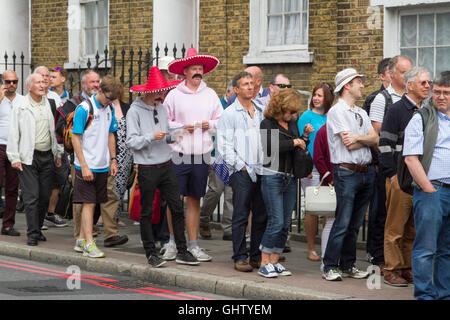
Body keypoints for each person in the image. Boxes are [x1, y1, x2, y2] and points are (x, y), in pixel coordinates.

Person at [127, 66, 199, 267]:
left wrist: (177, 134)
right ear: (149, 92)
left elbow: (166, 135)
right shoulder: (134, 111)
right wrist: (151, 137)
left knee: (177, 208)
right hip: (147, 167)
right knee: (147, 212)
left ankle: (182, 251)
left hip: (166, 165)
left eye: (163, 91)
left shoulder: (162, 107)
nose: (162, 95)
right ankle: (150, 253)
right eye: (159, 92)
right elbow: (131, 141)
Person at [164, 47, 223, 262]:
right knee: (174, 200)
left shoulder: (210, 94)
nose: (198, 72)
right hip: (178, 154)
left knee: (194, 200)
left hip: (201, 154)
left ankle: (193, 244)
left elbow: (221, 120)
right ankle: (172, 242)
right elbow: (165, 123)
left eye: (201, 69)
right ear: (185, 71)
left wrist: (211, 124)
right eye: (194, 69)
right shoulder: (173, 95)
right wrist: (181, 127)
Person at [322, 68, 378, 281]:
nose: (362, 85)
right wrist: (365, 138)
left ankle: (347, 264)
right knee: (342, 222)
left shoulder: (361, 112)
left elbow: (375, 139)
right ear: (347, 85)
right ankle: (329, 266)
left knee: (355, 224)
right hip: (347, 171)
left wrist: (361, 137)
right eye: (358, 82)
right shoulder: (337, 112)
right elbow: (349, 143)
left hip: (366, 172)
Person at [379, 67, 431, 287]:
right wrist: (392, 175)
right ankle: (391, 269)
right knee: (394, 229)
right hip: (399, 179)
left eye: (429, 82)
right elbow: (384, 145)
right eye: (423, 83)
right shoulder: (397, 110)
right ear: (410, 85)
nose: (428, 86)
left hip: (418, 179)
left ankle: (406, 267)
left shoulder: (428, 112)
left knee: (412, 228)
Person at [403, 71, 450, 300]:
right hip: (432, 191)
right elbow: (411, 158)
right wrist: (429, 189)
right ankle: (425, 296)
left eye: (446, 93)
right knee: (425, 249)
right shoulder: (421, 117)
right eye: (437, 92)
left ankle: (444, 295)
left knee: (447, 250)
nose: (441, 97)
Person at [217, 71, 267, 272]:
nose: (250, 86)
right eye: (245, 84)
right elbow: (224, 146)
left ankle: (256, 256)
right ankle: (239, 257)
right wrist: (241, 166)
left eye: (252, 83)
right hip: (241, 171)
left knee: (261, 216)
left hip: (262, 169)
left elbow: (268, 138)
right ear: (236, 90)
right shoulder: (229, 114)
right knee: (240, 214)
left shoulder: (262, 110)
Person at [366, 56, 412, 270]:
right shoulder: (382, 99)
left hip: (411, 170)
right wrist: (389, 170)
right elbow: (378, 136)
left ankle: (404, 264)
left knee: (408, 222)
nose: (408, 76)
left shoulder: (414, 99)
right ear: (392, 74)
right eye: (404, 72)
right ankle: (380, 258)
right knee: (384, 216)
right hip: (390, 169)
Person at [7, 73, 63, 246]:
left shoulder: (50, 103)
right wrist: (14, 157)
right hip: (28, 157)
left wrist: (58, 153)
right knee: (32, 197)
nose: (42, 85)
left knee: (44, 197)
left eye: (44, 82)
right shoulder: (21, 106)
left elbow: (54, 132)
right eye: (38, 83)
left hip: (47, 156)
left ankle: (37, 229)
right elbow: (13, 133)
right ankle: (32, 234)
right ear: (29, 86)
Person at [71, 75, 121, 258]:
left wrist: (113, 160)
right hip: (86, 165)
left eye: (112, 100)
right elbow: (75, 137)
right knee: (89, 204)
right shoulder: (84, 109)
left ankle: (81, 240)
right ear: (99, 90)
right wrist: (83, 166)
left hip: (102, 165)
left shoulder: (109, 109)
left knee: (95, 204)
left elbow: (110, 134)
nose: (109, 102)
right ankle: (89, 244)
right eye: (108, 98)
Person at [257, 88, 305, 278]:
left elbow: (297, 144)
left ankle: (275, 261)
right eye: (290, 111)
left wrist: (304, 138)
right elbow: (270, 147)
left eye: (294, 112)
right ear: (280, 108)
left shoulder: (291, 123)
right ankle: (264, 261)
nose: (293, 115)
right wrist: (295, 143)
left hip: (290, 176)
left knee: (286, 223)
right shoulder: (266, 124)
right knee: (276, 221)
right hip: (272, 175)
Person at [297, 83, 334, 261]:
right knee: (312, 208)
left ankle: (325, 246)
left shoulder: (332, 117)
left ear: (328, 99)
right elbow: (301, 143)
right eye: (315, 95)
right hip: (311, 168)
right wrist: (305, 169)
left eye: (320, 95)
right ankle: (311, 248)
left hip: (328, 168)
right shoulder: (306, 116)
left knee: (328, 207)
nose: (316, 98)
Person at [34, 66, 68, 229]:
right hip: (35, 150)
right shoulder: (27, 100)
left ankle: (47, 215)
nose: (46, 79)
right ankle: (35, 222)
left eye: (48, 76)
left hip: (54, 149)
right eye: (42, 76)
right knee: (38, 188)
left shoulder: (54, 98)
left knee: (54, 183)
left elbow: (58, 125)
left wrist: (59, 151)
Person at [0, 70, 24, 236]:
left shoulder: (23, 100)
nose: (11, 85)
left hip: (16, 148)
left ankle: (8, 225)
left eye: (14, 82)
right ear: (3, 82)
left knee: (12, 188)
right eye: (8, 82)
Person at [313, 123, 334, 271]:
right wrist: (329, 178)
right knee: (331, 220)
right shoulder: (323, 132)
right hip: (332, 182)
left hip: (347, 180)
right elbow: (319, 158)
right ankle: (326, 259)